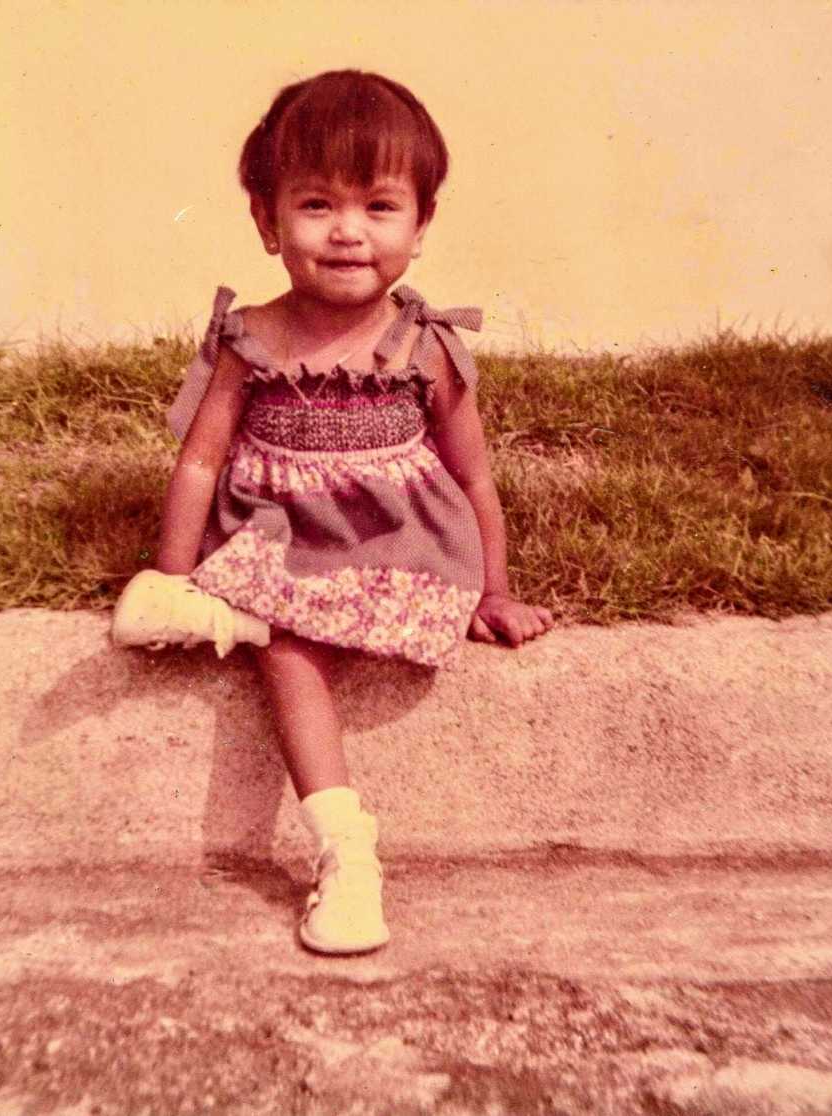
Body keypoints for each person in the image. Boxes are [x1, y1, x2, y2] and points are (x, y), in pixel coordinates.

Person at [113, 69, 554, 955]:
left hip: (401, 547)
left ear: (421, 226)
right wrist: (169, 573)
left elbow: (473, 478)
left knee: (281, 635)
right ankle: (338, 833)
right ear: (267, 221)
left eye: (379, 206)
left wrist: (494, 589)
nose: (348, 231)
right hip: (280, 543)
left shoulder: (425, 345)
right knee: (283, 628)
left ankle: (338, 835)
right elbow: (200, 460)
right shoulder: (252, 339)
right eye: (317, 204)